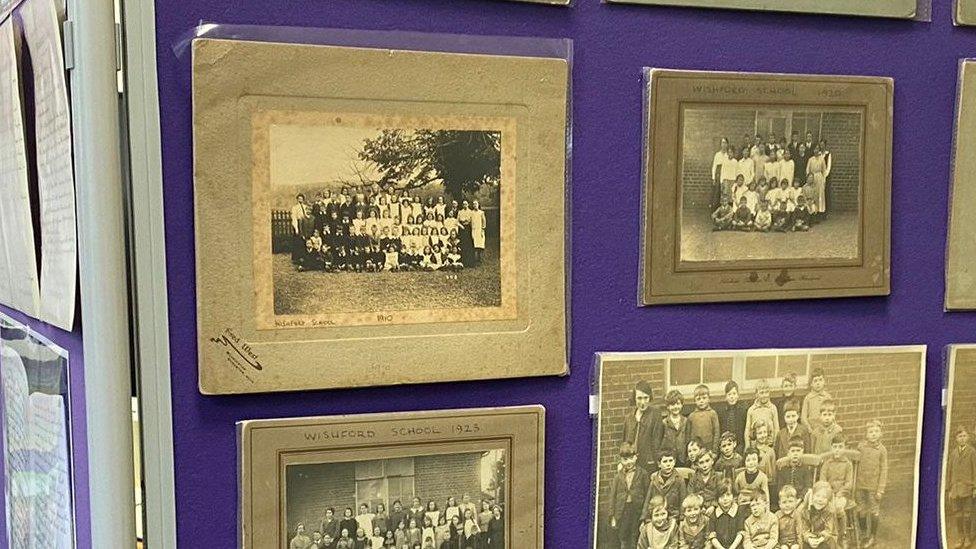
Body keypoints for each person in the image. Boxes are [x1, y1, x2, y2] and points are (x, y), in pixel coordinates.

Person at [856, 420, 887, 548]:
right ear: (866, 434)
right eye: (870, 432)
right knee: (861, 509)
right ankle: (863, 534)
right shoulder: (861, 447)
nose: (873, 434)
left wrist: (880, 489)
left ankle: (873, 536)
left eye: (876, 431)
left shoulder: (882, 450)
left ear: (881, 433)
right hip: (860, 485)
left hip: (873, 487)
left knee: (874, 510)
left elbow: (884, 470)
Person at [818, 434, 853, 547]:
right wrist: (829, 493)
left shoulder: (847, 464)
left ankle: (842, 535)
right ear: (831, 448)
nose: (837, 450)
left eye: (840, 447)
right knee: (826, 506)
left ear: (844, 448)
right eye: (835, 447)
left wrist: (840, 493)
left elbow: (849, 483)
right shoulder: (827, 464)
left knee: (838, 507)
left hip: (842, 494)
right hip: (828, 494)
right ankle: (830, 535)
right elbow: (822, 481)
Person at [947, 427, 976, 548]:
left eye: (964, 436)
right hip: (955, 490)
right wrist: (949, 489)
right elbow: (949, 471)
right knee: (958, 514)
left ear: (968, 437)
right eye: (960, 436)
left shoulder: (972, 452)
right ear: (956, 439)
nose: (962, 438)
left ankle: (968, 537)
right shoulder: (953, 453)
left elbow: (975, 470)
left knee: (968, 514)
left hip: (967, 489)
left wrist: (975, 488)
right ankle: (961, 537)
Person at [644, 448, 688, 520]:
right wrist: (646, 518)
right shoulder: (654, 479)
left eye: (670, 461)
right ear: (659, 464)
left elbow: (683, 501)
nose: (668, 464)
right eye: (665, 461)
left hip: (673, 517)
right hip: (658, 515)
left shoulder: (679, 480)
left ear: (674, 462)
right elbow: (648, 500)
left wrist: (682, 518)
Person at [776, 436, 814, 503]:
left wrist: (799, 499)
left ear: (802, 452)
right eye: (793, 451)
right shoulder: (783, 469)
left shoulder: (805, 469)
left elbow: (807, 487)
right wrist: (785, 498)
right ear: (788, 453)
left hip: (801, 500)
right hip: (786, 499)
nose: (795, 454)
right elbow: (780, 488)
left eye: (798, 451)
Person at [708, 479, 744, 549]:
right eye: (721, 496)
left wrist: (732, 547)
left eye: (728, 495)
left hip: (735, 546)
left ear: (733, 496)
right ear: (717, 499)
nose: (725, 499)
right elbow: (712, 537)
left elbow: (740, 533)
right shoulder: (714, 514)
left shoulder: (738, 511)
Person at [800, 482, 837, 549]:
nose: (820, 500)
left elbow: (828, 530)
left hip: (823, 538)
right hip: (809, 537)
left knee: (830, 543)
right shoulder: (805, 510)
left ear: (828, 500)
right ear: (812, 496)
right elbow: (803, 529)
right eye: (817, 496)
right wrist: (809, 539)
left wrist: (820, 540)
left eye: (824, 497)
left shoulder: (830, 511)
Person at [745, 380, 780, 449]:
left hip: (769, 445)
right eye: (761, 393)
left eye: (766, 392)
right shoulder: (751, 410)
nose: (764, 395)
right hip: (755, 446)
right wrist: (747, 445)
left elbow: (776, 428)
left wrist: (775, 445)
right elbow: (747, 429)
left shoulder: (773, 408)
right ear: (756, 394)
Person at [659, 390, 690, 464]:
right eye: (672, 405)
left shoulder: (686, 421)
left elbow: (689, 439)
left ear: (682, 404)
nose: (675, 407)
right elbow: (660, 442)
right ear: (668, 407)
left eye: (678, 404)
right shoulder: (664, 423)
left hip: (683, 459)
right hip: (669, 460)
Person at [775, 403, 810, 469]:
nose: (791, 419)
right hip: (784, 468)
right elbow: (777, 452)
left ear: (798, 416)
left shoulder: (803, 431)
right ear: (784, 417)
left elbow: (807, 450)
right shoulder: (781, 433)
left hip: (800, 467)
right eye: (788, 417)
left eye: (793, 416)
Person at [688, 384, 721, 452]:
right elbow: (688, 436)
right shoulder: (691, 416)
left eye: (704, 398)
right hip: (696, 450)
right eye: (698, 399)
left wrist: (714, 450)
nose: (701, 401)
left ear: (709, 399)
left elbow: (716, 433)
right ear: (695, 401)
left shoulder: (712, 414)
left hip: (709, 449)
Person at [718, 381, 749, 450]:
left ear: (738, 395)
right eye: (729, 394)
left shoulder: (743, 410)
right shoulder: (722, 412)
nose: (732, 397)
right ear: (725, 397)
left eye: (734, 394)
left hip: (740, 444)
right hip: (727, 445)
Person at [712, 137, 736, 209]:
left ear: (727, 144)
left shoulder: (728, 154)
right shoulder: (717, 154)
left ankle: (726, 209)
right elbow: (714, 166)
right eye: (722, 143)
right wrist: (713, 178)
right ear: (720, 144)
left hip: (727, 174)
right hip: (719, 173)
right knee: (718, 192)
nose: (724, 144)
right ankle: (717, 209)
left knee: (727, 193)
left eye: (725, 143)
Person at [291, 194, 314, 265]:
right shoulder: (295, 207)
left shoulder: (305, 206)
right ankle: (296, 258)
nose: (300, 200)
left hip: (306, 224)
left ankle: (305, 257)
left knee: (305, 243)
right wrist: (296, 228)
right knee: (298, 243)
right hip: (298, 223)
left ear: (303, 199)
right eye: (299, 199)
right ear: (297, 199)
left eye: (301, 199)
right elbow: (294, 217)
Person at [806, 147, 828, 216]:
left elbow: (824, 170)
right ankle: (813, 210)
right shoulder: (810, 159)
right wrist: (809, 178)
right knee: (813, 193)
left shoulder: (822, 159)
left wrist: (824, 180)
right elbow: (807, 169)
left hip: (819, 177)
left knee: (820, 193)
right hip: (812, 177)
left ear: (819, 150)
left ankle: (820, 211)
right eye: (815, 149)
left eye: (817, 149)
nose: (816, 150)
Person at [470, 200, 487, 266]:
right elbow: (471, 222)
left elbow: (484, 221)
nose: (475, 205)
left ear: (478, 204)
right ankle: (475, 259)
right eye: (473, 204)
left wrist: (483, 229)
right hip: (474, 230)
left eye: (476, 204)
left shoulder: (481, 212)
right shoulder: (471, 213)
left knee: (480, 244)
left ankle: (480, 258)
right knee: (475, 243)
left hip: (480, 230)